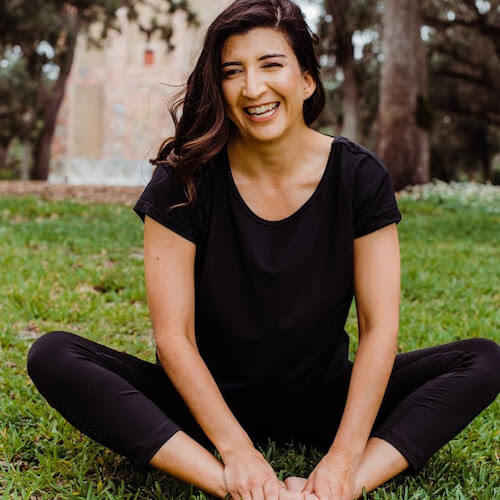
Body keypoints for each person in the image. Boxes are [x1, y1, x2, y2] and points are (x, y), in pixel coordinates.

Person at [26, 0, 500, 499]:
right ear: (220, 86)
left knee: (483, 360)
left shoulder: (359, 177)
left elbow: (379, 330)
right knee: (54, 354)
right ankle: (245, 491)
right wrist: (237, 454)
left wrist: (343, 460)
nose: (253, 88)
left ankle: (342, 489)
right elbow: (174, 338)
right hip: (205, 406)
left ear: (307, 80)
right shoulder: (182, 180)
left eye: (271, 65)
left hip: (326, 400)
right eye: (233, 72)